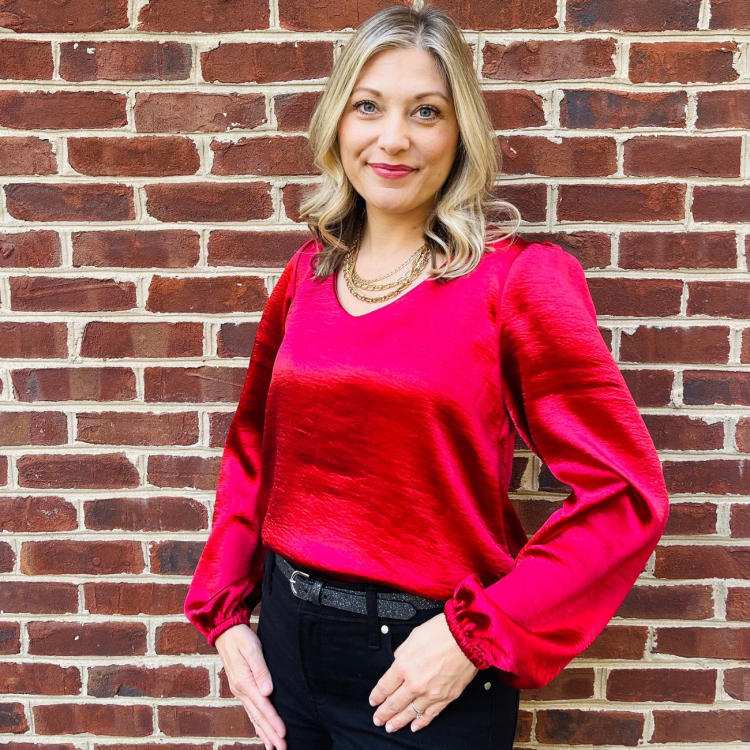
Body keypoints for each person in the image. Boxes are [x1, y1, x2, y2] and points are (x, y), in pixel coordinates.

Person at [183, 3, 670, 749]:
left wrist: (476, 635)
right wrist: (226, 614)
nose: (393, 138)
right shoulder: (308, 275)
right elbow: (255, 452)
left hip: (420, 667)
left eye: (426, 112)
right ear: (337, 123)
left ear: (460, 133)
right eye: (368, 106)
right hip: (286, 645)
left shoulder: (516, 281)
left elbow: (624, 495)